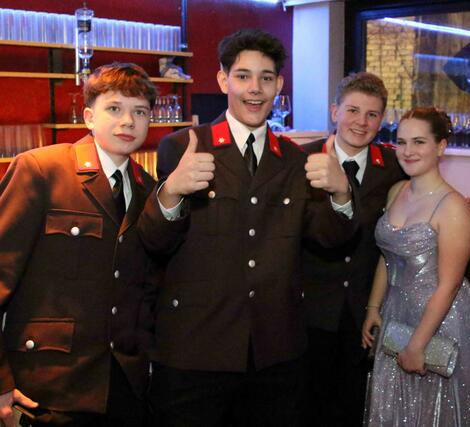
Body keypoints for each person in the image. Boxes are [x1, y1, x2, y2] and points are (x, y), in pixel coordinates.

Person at [137, 28, 356, 426]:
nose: (255, 89)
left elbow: (329, 239)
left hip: (275, 353)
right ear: (223, 81)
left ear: (279, 86)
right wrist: (171, 193)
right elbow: (154, 242)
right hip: (196, 350)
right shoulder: (183, 146)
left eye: (266, 78)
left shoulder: (294, 159)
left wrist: (342, 193)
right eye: (242, 76)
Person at [0, 62, 158, 427]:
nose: (128, 122)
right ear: (89, 117)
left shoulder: (147, 189)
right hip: (48, 384)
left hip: (123, 385)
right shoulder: (42, 169)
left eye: (140, 112)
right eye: (114, 108)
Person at [362, 107, 470, 426]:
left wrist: (418, 345)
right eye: (401, 142)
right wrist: (373, 307)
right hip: (396, 316)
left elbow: (449, 285)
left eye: (419, 142)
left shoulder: (453, 207)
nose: (408, 151)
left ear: (441, 146)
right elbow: (387, 255)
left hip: (440, 322)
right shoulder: (397, 191)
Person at [301, 72, 406, 426]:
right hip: (309, 307)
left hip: (364, 309)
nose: (361, 122)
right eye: (353, 110)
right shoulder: (301, 159)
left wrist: (469, 213)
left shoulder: (393, 165)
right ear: (335, 112)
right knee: (307, 406)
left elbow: (428, 196)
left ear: (382, 119)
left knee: (354, 406)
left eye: (372, 114)